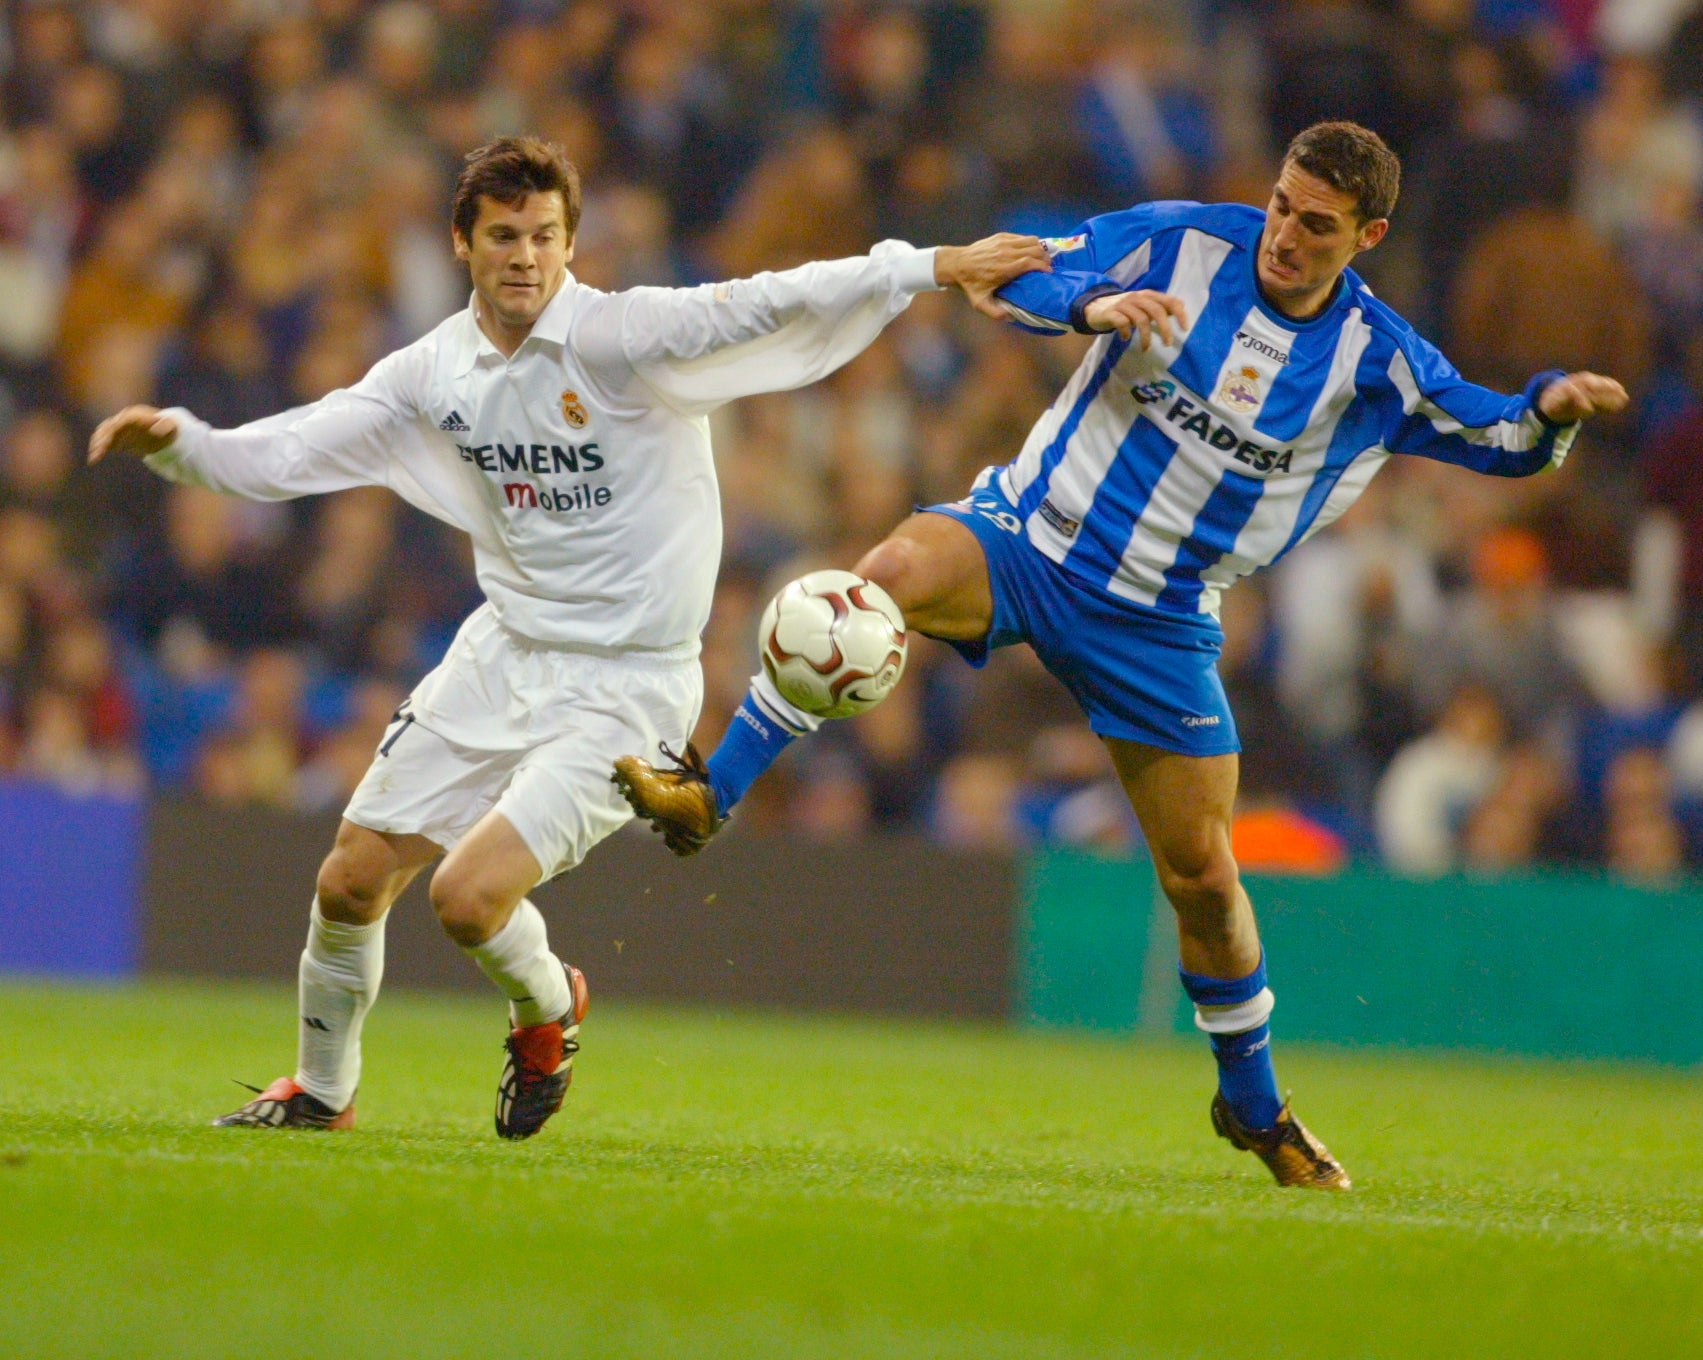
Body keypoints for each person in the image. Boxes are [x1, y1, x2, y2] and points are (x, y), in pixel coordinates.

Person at [613, 121, 1630, 1190]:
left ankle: (1251, 1106)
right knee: (883, 576)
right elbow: (1024, 276)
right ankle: (708, 790)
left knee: (1200, 877)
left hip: (1158, 620)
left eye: (1315, 225)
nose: (1283, 233)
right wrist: (1089, 305)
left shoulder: (1376, 363)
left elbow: (1497, 434)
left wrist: (1549, 410)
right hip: (1027, 537)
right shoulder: (1180, 243)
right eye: (1281, 203)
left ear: (1366, 235)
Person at [88, 136, 1046, 1139]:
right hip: (503, 649)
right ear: (463, 242)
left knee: (464, 900)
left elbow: (772, 298)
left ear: (569, 243)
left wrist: (926, 265)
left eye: (545, 235)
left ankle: (548, 1008)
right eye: (504, 235)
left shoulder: (624, 338)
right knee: (349, 878)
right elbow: (310, 437)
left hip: (628, 688)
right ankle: (321, 1092)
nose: (526, 256)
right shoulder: (433, 371)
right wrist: (189, 448)